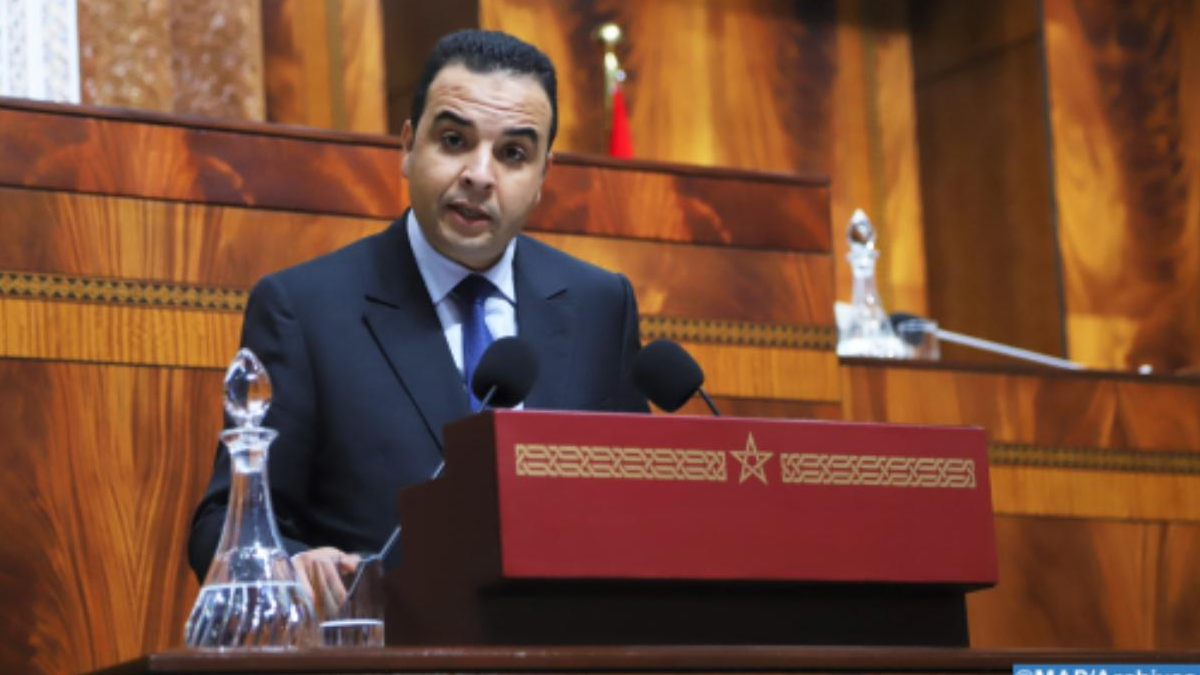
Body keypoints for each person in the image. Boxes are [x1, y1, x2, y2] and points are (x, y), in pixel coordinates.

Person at [187, 30, 648, 610]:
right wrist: (291, 565)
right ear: (408, 147)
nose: (479, 175)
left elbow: (640, 510)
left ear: (542, 177)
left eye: (513, 154)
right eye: (454, 140)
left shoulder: (600, 305)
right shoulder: (304, 309)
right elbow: (220, 525)